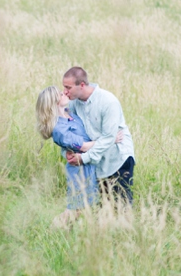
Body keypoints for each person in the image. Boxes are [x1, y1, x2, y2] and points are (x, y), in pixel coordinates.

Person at [36, 86, 123, 224]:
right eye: (59, 94)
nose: (64, 93)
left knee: (86, 206)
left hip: (89, 165)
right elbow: (83, 146)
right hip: (79, 171)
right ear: (53, 102)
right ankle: (52, 231)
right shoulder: (59, 129)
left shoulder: (70, 114)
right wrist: (109, 140)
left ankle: (68, 232)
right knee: (76, 209)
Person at [62, 66, 136, 206]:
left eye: (68, 87)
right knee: (102, 208)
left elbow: (109, 138)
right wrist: (68, 152)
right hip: (97, 161)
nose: (65, 92)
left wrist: (83, 158)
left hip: (118, 159)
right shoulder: (72, 104)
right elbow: (68, 132)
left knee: (122, 207)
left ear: (82, 85)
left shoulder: (108, 101)